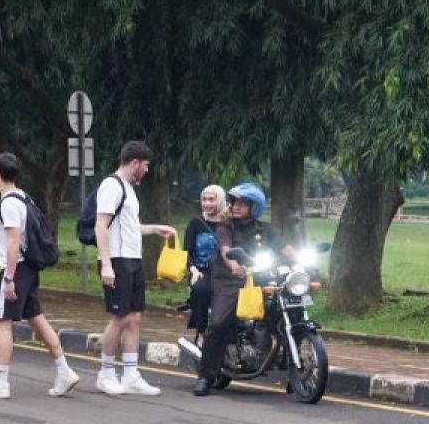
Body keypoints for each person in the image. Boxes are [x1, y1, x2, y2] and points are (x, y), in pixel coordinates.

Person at [0, 153, 80, 400]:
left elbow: (13, 240)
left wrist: (8, 279)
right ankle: (64, 370)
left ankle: (1, 381)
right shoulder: (24, 197)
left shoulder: (8, 203)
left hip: (16, 269)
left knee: (2, 323)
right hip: (29, 269)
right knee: (36, 318)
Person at [194, 182, 295, 397]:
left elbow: (284, 247)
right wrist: (234, 266)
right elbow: (225, 249)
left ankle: (293, 372)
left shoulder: (264, 229)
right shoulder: (226, 226)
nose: (236, 207)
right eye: (234, 203)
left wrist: (305, 259)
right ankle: (206, 375)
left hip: (260, 278)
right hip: (229, 279)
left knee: (285, 315)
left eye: (242, 203)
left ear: (254, 206)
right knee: (219, 322)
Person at [94, 141, 176, 396]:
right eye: (146, 165)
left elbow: (128, 227)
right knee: (120, 317)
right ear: (135, 163)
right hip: (116, 260)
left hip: (132, 258)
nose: (147, 170)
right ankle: (106, 373)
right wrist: (107, 264)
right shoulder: (111, 186)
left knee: (135, 316)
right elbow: (101, 226)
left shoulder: (128, 189)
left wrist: (153, 229)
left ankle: (130, 374)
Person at [181, 185, 227, 343]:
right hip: (202, 270)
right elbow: (185, 252)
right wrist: (193, 270)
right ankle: (201, 332)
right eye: (204, 200)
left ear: (220, 200)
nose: (207, 204)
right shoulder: (196, 223)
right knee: (200, 289)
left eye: (212, 200)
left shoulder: (229, 222)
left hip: (226, 271)